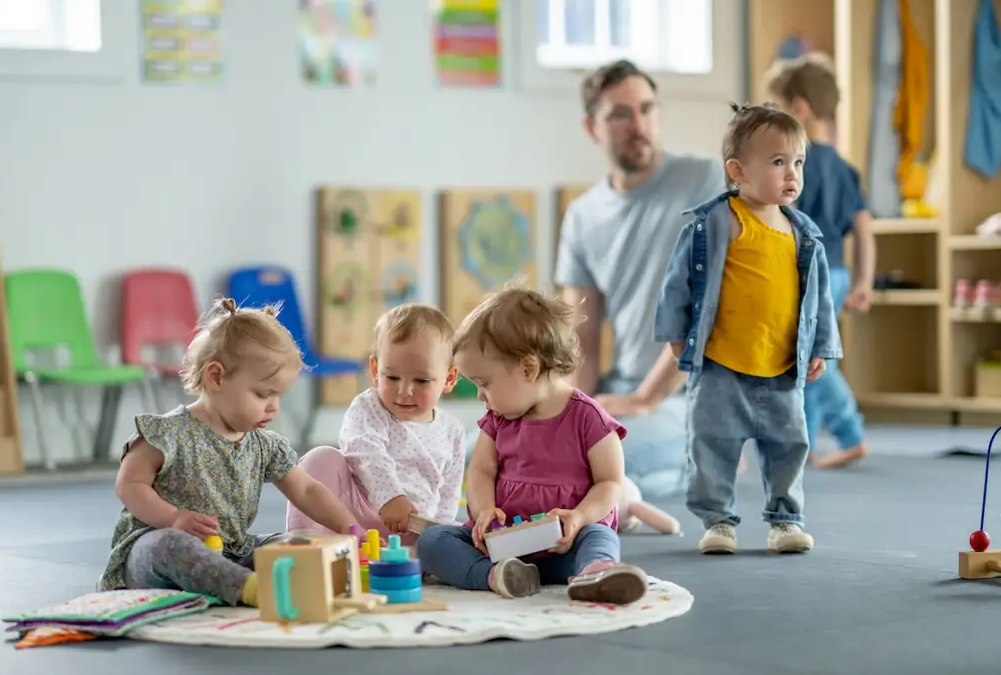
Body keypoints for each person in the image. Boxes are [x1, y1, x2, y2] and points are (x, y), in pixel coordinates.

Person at [653, 103, 842, 555]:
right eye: (778, 162)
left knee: (789, 445)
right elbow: (677, 283)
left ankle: (785, 519)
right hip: (722, 367)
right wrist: (676, 334)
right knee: (711, 446)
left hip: (780, 367)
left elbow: (819, 297)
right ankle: (718, 521)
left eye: (798, 162)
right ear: (737, 171)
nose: (792, 174)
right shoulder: (715, 224)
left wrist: (820, 346)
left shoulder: (803, 234)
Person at [97, 298, 362, 607]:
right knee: (171, 545)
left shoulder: (264, 444)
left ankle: (267, 583)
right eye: (263, 394)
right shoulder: (168, 433)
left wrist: (348, 527)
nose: (274, 407)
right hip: (155, 554)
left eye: (278, 396)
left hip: (231, 552)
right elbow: (129, 484)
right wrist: (173, 518)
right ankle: (249, 589)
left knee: (294, 545)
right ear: (216, 377)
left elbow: (306, 490)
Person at [553, 59, 727, 499]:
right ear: (592, 127)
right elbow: (581, 339)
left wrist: (647, 399)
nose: (639, 125)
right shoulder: (582, 216)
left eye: (647, 109)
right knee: (484, 450)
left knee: (586, 462)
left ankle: (708, 454)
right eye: (621, 114)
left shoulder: (706, 180)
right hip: (621, 390)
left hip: (689, 396)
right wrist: (564, 413)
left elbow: (712, 307)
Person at [417, 286, 651, 605]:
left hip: (565, 546)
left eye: (484, 383)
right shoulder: (498, 420)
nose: (480, 395)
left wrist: (579, 517)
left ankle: (595, 571)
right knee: (432, 540)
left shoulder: (589, 418)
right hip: (502, 548)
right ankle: (496, 576)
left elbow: (610, 482)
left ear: (529, 369)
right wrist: (484, 511)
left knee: (599, 536)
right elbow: (481, 471)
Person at [765, 53, 876, 469]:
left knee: (812, 358)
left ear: (799, 109)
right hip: (839, 273)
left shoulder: (791, 164)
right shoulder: (845, 169)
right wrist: (864, 282)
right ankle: (805, 440)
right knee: (809, 355)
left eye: (775, 109)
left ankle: (850, 434)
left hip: (809, 274)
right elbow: (863, 230)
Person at [285, 303, 466, 544]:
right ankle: (306, 541)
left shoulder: (453, 431)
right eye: (392, 377)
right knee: (321, 458)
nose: (404, 391)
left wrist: (438, 535)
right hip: (355, 515)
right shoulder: (368, 406)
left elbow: (448, 496)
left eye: (421, 381)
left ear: (449, 378)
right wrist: (390, 497)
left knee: (459, 533)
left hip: (413, 528)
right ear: (375, 369)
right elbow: (365, 451)